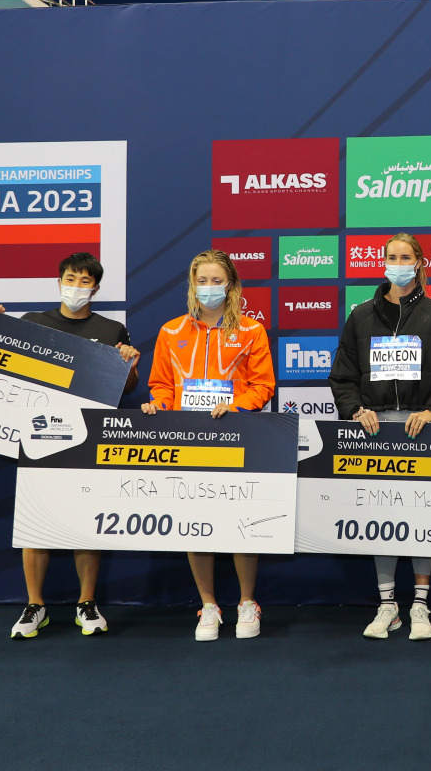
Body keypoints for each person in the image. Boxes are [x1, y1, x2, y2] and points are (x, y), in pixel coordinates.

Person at [0, 251, 141, 640]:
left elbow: (126, 389)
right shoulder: (33, 323)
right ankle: (36, 605)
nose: (77, 287)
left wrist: (130, 366)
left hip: (90, 436)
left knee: (86, 521)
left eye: (85, 281)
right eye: (71, 279)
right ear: (59, 282)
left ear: (96, 288)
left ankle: (87, 603)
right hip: (38, 433)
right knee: (37, 523)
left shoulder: (113, 328)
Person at [329, 232, 431, 641]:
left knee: (422, 514)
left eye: (405, 256)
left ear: (420, 262)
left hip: (422, 427)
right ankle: (388, 604)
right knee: (383, 515)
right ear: (383, 262)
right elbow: (341, 377)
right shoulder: (360, 315)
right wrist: (356, 409)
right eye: (391, 256)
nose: (397, 263)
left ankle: (421, 605)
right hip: (376, 430)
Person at [140, 249, 275, 641]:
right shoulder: (171, 332)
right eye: (203, 281)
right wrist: (159, 405)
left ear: (231, 285)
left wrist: (236, 406)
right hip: (187, 440)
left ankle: (247, 603)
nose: (210, 288)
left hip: (235, 438)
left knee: (239, 520)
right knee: (197, 524)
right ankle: (209, 605)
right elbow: (162, 385)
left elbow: (263, 386)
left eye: (218, 281)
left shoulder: (251, 331)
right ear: (192, 285)